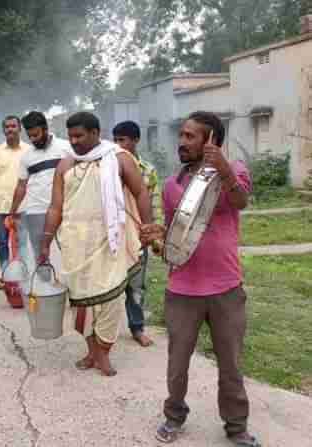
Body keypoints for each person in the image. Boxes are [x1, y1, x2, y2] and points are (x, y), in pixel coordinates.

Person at [140, 112, 261, 447]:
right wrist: (156, 235)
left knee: (231, 365)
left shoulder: (232, 171)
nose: (181, 141)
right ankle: (173, 415)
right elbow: (174, 233)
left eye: (191, 136)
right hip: (181, 290)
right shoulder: (171, 185)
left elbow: (240, 202)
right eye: (181, 135)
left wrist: (221, 167)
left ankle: (236, 427)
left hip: (226, 289)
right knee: (177, 365)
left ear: (212, 141)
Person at [39, 112, 153, 377]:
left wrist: (147, 227)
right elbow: (55, 207)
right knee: (81, 302)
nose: (74, 141)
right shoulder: (65, 165)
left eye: (79, 136)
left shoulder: (118, 158)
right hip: (74, 244)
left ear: (95, 132)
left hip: (109, 241)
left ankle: (103, 353)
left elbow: (141, 192)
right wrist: (45, 241)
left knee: (111, 299)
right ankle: (91, 351)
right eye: (70, 136)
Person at [113, 120, 158, 348]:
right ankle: (105, 332)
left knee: (136, 284)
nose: (118, 145)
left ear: (135, 140)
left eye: (123, 140)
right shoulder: (108, 168)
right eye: (116, 140)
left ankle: (137, 327)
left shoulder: (148, 171)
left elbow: (153, 203)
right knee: (110, 282)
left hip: (137, 235)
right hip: (113, 235)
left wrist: (152, 233)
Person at [8, 111, 70, 275]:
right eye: (30, 136)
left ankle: (75, 291)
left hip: (65, 209)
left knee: (70, 250)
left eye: (36, 134)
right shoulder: (27, 156)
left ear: (45, 128)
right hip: (36, 211)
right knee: (41, 254)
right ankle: (46, 291)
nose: (33, 139)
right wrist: (12, 210)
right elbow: (21, 186)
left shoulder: (65, 148)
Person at [0, 116, 31, 290]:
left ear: (20, 129)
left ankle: (23, 274)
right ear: (3, 130)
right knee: (2, 241)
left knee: (21, 241)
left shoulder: (29, 150)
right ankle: (4, 275)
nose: (10, 129)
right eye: (7, 127)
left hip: (23, 205)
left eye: (13, 126)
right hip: (0, 205)